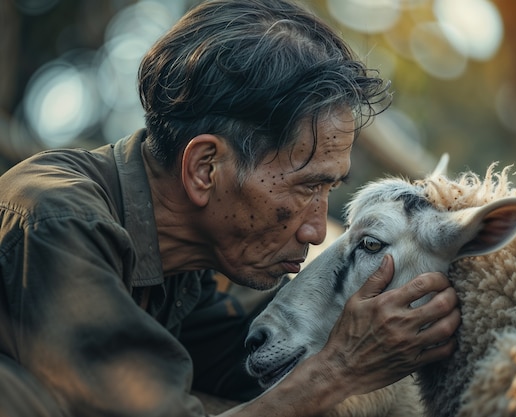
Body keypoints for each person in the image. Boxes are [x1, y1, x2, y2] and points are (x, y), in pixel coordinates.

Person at [0, 0, 461, 416]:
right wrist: (338, 370)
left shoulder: (185, 261)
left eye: (330, 190)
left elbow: (250, 365)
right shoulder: (56, 222)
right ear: (206, 168)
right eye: (307, 187)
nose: (317, 231)